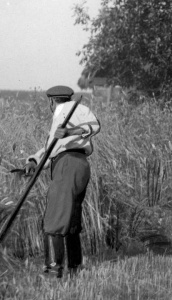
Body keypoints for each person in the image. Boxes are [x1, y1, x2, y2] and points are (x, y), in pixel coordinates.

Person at [24, 85, 100, 278]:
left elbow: (95, 125)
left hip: (69, 164)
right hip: (73, 164)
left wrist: (71, 131)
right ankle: (74, 268)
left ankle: (53, 269)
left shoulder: (75, 109)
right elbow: (52, 149)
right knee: (71, 218)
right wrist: (34, 160)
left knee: (54, 218)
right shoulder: (58, 117)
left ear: (51, 101)